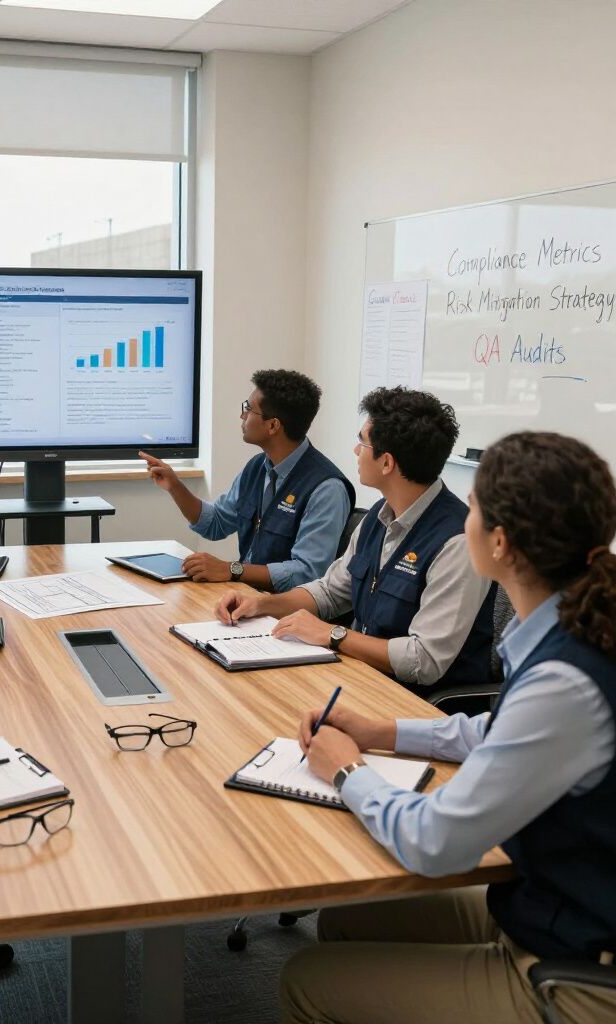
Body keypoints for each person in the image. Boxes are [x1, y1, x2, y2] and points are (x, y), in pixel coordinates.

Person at [279, 430, 616, 1024]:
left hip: (578, 972)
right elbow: (495, 733)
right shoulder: (565, 627)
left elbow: (433, 841)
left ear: (501, 542)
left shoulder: (566, 679)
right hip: (546, 904)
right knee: (344, 917)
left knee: (306, 982)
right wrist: (379, 730)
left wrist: (348, 769)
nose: (464, 517)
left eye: (475, 505)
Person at [216, 386, 494, 691]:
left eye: (361, 441)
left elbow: (422, 660)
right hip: (360, 678)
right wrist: (260, 605)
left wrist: (334, 635)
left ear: (387, 463)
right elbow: (331, 592)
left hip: (419, 706)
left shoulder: (458, 542)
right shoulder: (379, 515)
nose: (355, 451)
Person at [140, 369, 353, 590]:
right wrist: (174, 486)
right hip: (245, 598)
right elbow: (215, 523)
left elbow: (307, 573)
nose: (242, 416)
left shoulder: (326, 488)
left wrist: (232, 569)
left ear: (273, 426)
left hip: (283, 613)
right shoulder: (257, 467)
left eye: (248, 409)